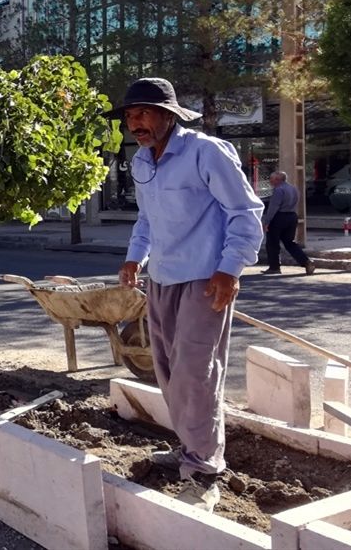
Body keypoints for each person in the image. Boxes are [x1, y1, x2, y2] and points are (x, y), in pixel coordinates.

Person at [111, 77, 264, 513]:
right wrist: (134, 257)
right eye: (129, 115)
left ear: (169, 114)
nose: (134, 123)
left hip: (204, 280)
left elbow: (246, 212)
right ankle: (189, 447)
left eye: (142, 113)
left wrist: (230, 270)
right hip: (160, 279)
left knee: (196, 373)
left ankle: (203, 470)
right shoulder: (142, 161)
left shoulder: (206, 152)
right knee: (167, 372)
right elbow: (147, 220)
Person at [261, 171, 316, 275]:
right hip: (291, 216)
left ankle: (274, 267)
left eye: (272, 179)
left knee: (272, 243)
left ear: (278, 180)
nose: (270, 181)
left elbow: (273, 208)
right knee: (290, 242)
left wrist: (266, 222)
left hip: (279, 217)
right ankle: (306, 261)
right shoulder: (293, 188)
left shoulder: (278, 190)